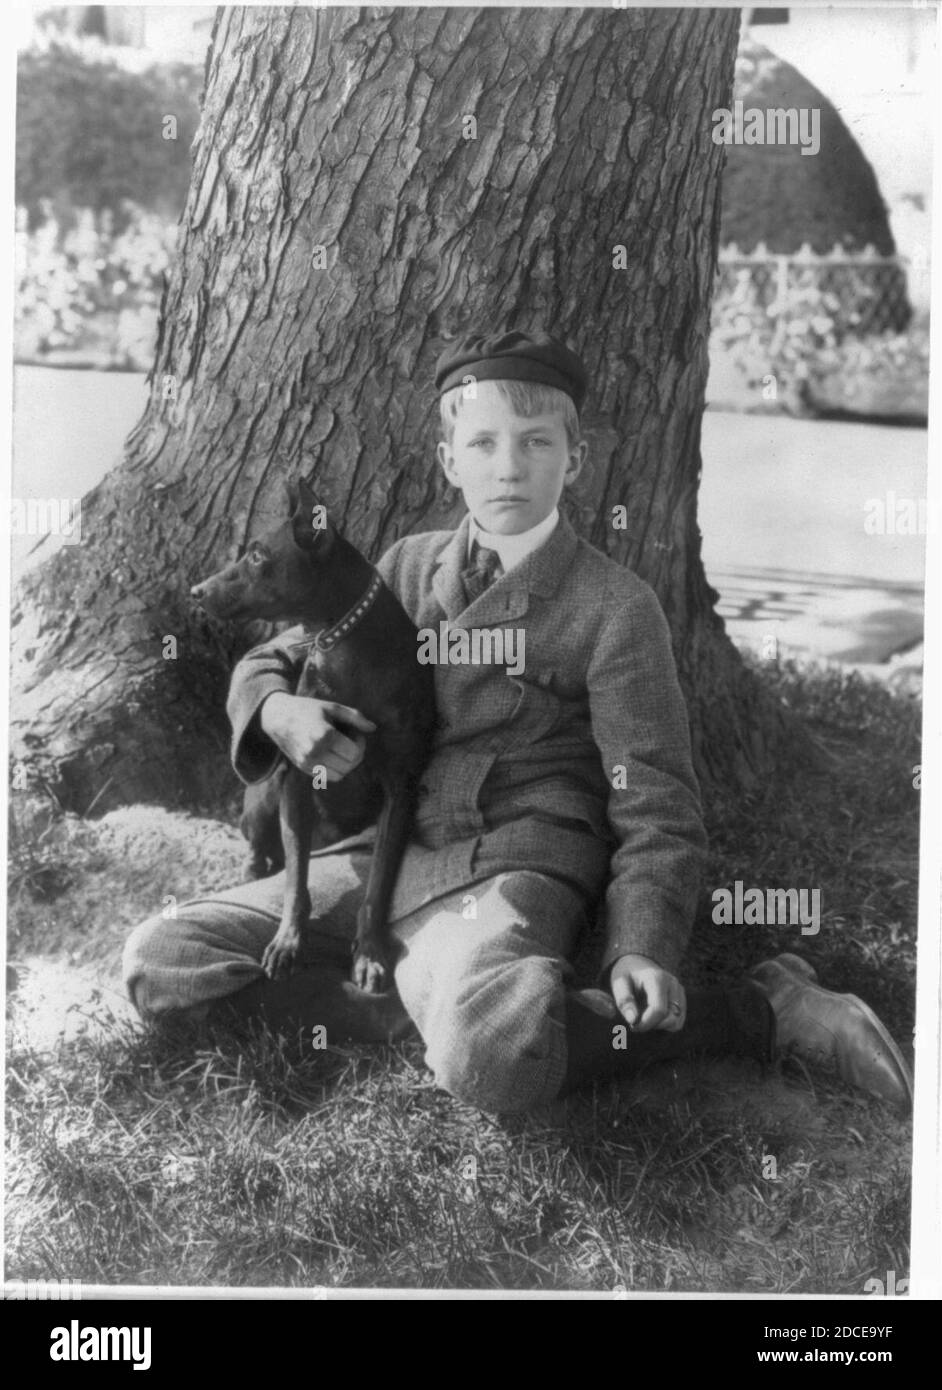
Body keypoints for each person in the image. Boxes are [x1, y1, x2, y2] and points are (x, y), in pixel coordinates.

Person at [123, 330, 913, 1113]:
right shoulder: (402, 568)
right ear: (449, 461)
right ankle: (431, 1002)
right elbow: (282, 653)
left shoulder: (615, 608)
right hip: (384, 857)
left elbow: (657, 804)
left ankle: (762, 1009)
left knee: (494, 1058)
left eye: (536, 442)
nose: (508, 466)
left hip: (515, 864)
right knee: (162, 959)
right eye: (484, 442)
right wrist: (274, 706)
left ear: (574, 460)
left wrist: (640, 945)